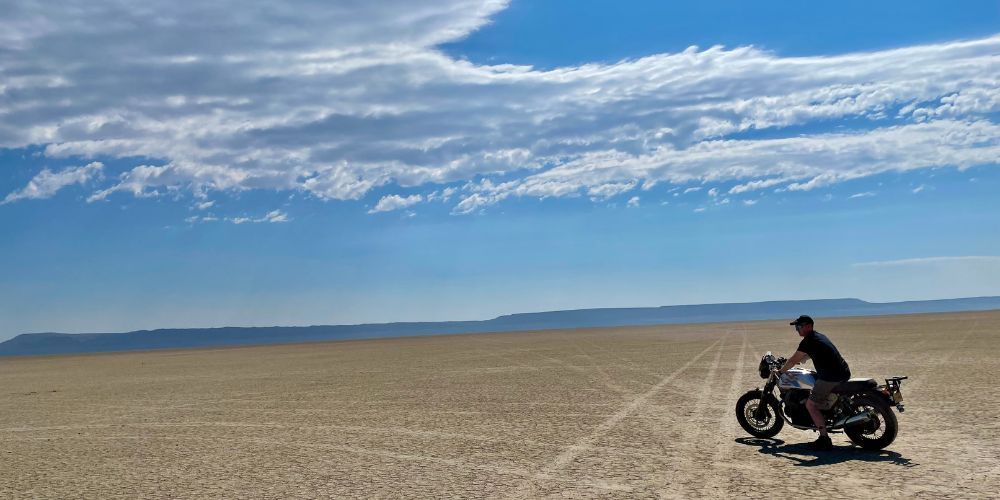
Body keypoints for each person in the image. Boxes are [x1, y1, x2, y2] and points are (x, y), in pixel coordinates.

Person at [774, 315, 851, 451]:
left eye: (799, 327)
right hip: (842, 372)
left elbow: (793, 360)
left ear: (808, 326)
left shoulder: (808, 341)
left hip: (831, 377)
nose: (797, 329)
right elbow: (807, 355)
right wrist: (798, 359)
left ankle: (824, 439)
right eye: (796, 327)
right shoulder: (818, 337)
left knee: (811, 404)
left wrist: (780, 371)